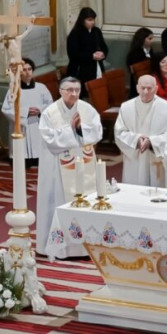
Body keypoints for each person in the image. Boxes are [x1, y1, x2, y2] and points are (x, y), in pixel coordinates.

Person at [37, 77, 102, 257]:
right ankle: (60, 248)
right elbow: (48, 138)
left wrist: (80, 128)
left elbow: (97, 131)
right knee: (58, 201)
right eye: (69, 90)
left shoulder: (87, 109)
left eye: (77, 90)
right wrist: (71, 129)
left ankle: (85, 247)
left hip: (84, 167)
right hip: (57, 168)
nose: (74, 94)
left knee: (86, 199)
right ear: (60, 91)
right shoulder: (50, 113)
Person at [114, 75, 167, 187]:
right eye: (143, 88)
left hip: (156, 159)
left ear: (156, 89)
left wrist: (152, 142)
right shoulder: (126, 107)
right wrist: (136, 140)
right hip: (135, 159)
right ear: (137, 88)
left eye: (149, 88)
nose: (146, 92)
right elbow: (119, 133)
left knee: (157, 191)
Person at [1, 57, 53, 168]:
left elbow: (50, 104)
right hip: (22, 126)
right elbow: (6, 109)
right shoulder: (13, 89)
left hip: (37, 123)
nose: (27, 72)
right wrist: (26, 112)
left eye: (30, 69)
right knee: (21, 159)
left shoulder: (41, 88)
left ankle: (37, 157)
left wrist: (40, 110)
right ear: (19, 72)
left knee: (40, 152)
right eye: (24, 70)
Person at [65, 7, 108, 98]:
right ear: (82, 20)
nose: (92, 22)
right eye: (89, 20)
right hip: (81, 70)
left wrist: (102, 54)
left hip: (97, 67)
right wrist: (91, 56)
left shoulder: (96, 31)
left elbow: (104, 47)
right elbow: (73, 55)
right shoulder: (75, 34)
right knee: (84, 95)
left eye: (93, 20)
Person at [125, 27, 154, 97]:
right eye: (150, 39)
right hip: (138, 82)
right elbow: (133, 69)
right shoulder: (135, 53)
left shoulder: (150, 50)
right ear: (142, 39)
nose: (152, 41)